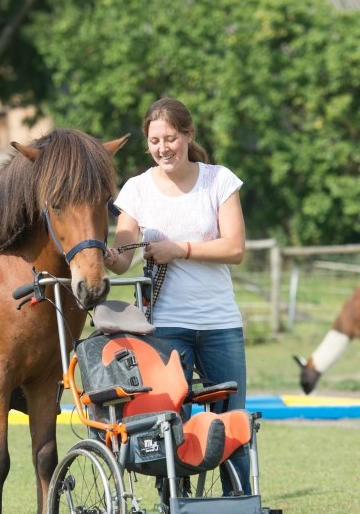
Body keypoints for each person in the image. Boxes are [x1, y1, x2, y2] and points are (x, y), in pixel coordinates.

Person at [104, 97, 251, 492]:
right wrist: (105, 254)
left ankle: (237, 498)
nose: (163, 147)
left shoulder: (219, 180)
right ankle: (175, 502)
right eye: (155, 140)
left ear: (188, 135)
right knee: (169, 421)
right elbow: (122, 260)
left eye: (170, 138)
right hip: (165, 326)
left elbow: (234, 248)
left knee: (232, 420)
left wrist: (179, 249)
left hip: (220, 324)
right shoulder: (136, 190)